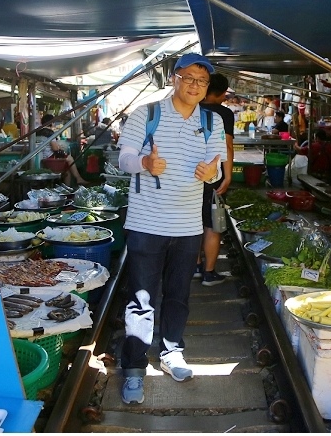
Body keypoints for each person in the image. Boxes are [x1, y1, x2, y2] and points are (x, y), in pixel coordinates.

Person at [117, 52, 226, 405]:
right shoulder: (145, 114)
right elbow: (123, 160)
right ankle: (134, 368)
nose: (195, 86)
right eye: (189, 78)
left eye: (202, 81)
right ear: (174, 78)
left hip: (188, 225)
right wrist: (145, 162)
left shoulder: (212, 122)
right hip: (147, 223)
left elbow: (218, 168)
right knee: (141, 298)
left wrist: (213, 174)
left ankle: (171, 353)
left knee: (179, 294)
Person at [196, 73, 234, 286]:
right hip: (212, 176)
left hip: (189, 175)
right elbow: (226, 147)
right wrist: (227, 176)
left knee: (193, 222)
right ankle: (208, 273)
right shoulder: (223, 113)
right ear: (220, 93)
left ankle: (195, 266)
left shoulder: (191, 108)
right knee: (212, 223)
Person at [36, 114, 89, 186]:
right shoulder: (49, 132)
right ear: (51, 122)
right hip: (49, 159)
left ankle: (69, 186)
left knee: (67, 168)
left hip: (41, 159)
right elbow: (54, 148)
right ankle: (78, 179)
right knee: (70, 159)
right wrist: (60, 147)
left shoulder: (38, 132)